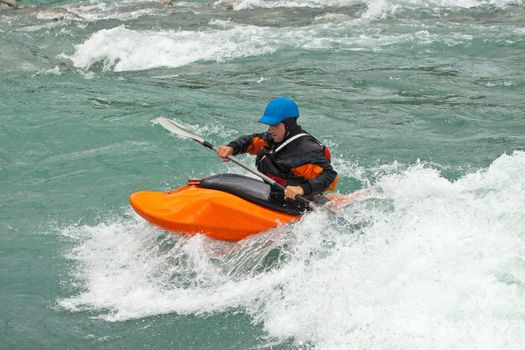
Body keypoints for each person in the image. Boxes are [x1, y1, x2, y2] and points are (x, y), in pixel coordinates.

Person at [216, 97, 338, 208]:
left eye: (274, 125)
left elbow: (330, 175)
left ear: (288, 124)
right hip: (276, 196)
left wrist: (301, 189)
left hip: (301, 203)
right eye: (270, 124)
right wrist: (231, 148)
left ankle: (332, 202)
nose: (270, 129)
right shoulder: (273, 138)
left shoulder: (307, 150)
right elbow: (251, 141)